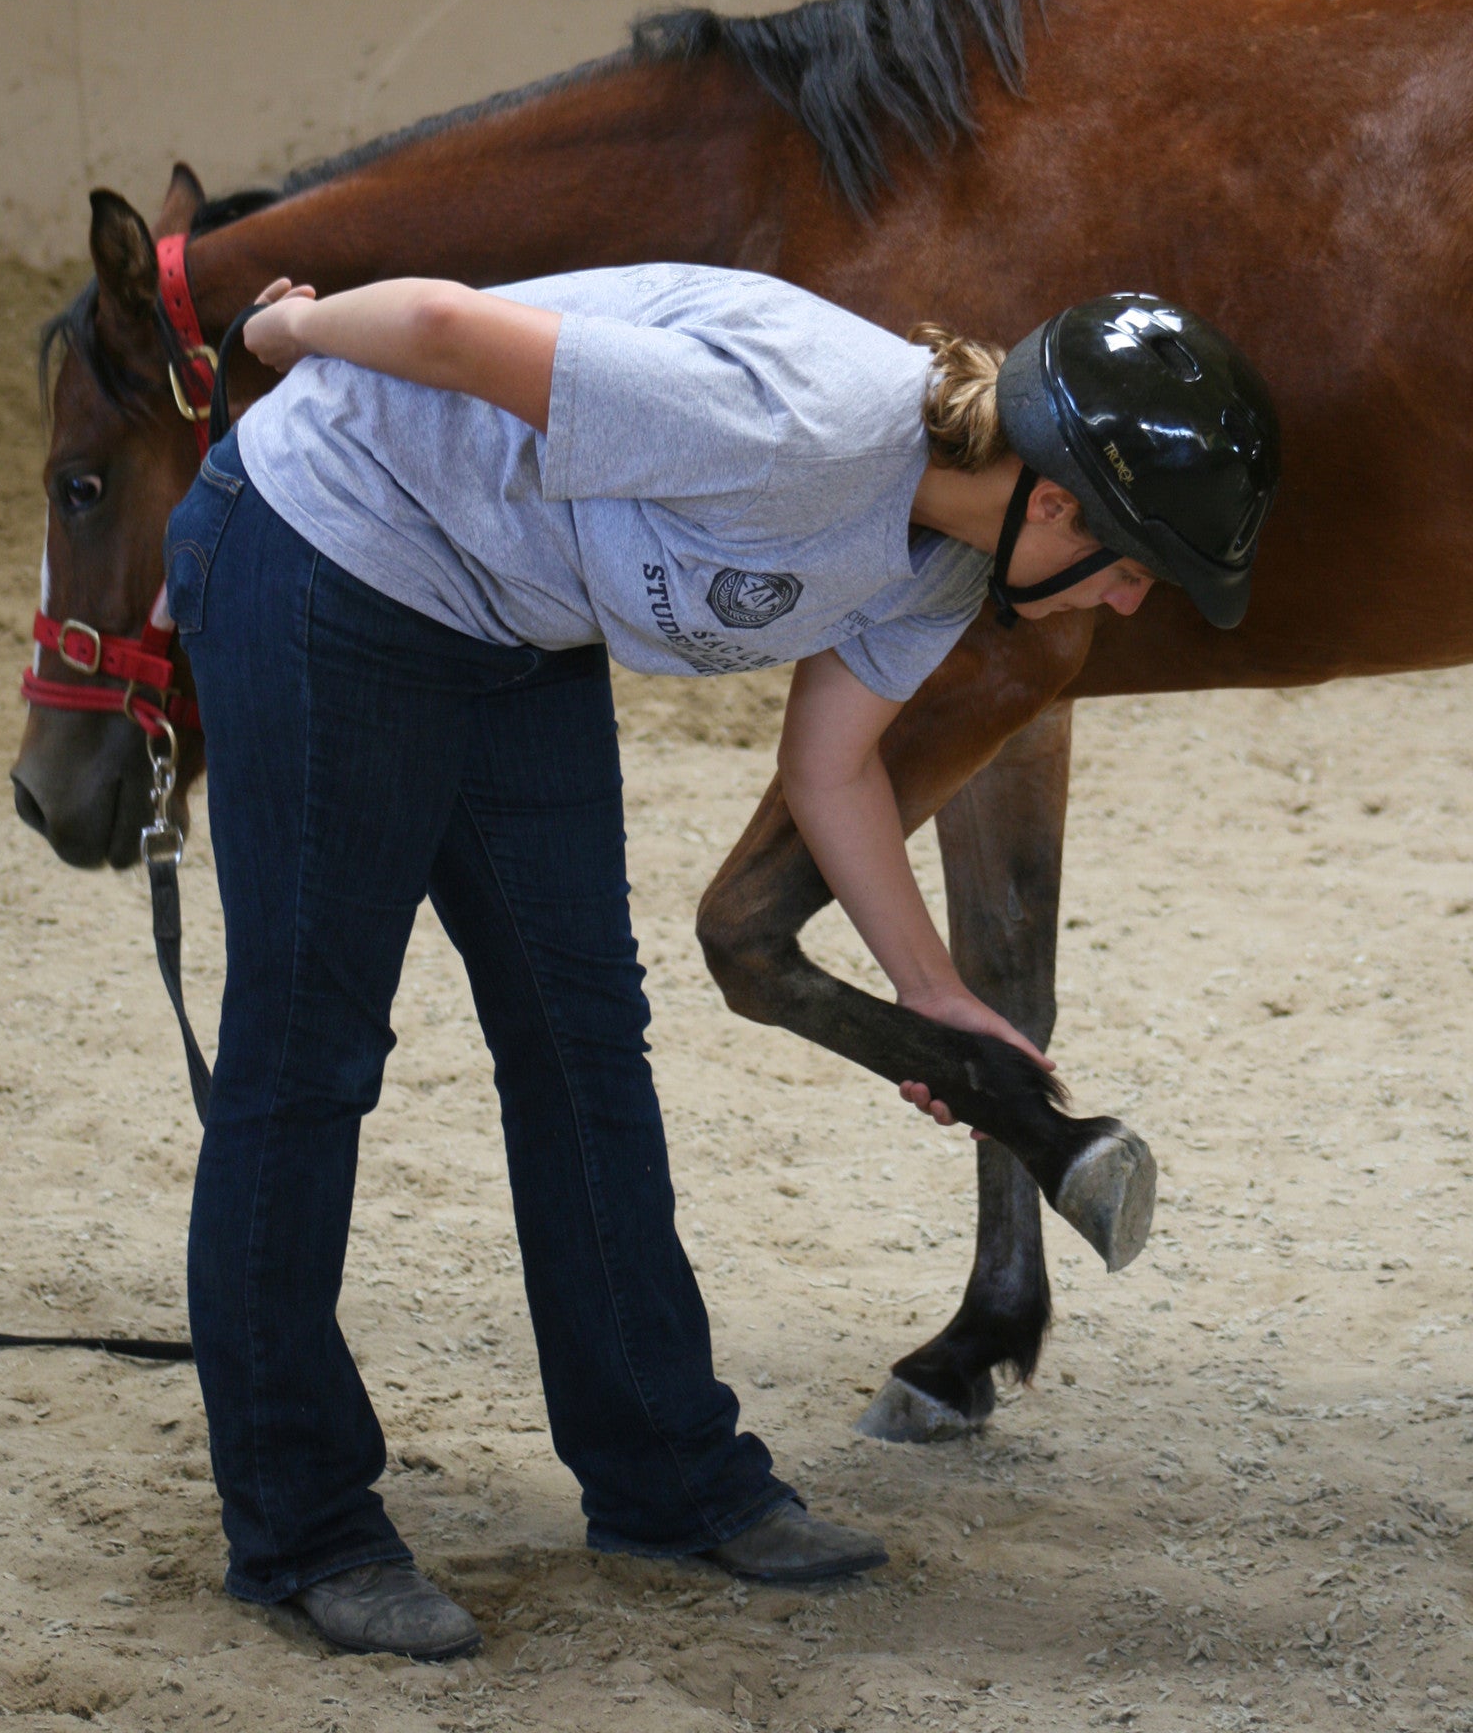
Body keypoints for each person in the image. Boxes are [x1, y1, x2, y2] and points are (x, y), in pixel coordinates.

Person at [164, 266, 1279, 1660]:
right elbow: (447, 329)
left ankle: (666, 1477)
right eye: (1130, 565)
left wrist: (933, 994)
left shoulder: (950, 562)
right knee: (311, 1054)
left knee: (583, 1042)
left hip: (514, 623)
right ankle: (302, 1527)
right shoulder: (800, 425)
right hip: (333, 553)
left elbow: (831, 772)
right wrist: (285, 331)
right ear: (1052, 502)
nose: (1123, 604)